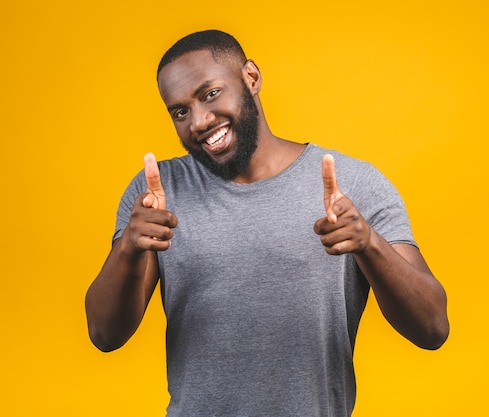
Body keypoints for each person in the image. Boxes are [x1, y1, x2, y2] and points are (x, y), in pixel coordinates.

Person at [85, 30, 449, 416]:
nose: (200, 121)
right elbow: (105, 334)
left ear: (251, 78)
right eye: (180, 111)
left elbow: (432, 328)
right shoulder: (157, 194)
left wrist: (369, 244)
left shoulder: (352, 184)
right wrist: (127, 248)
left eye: (210, 94)